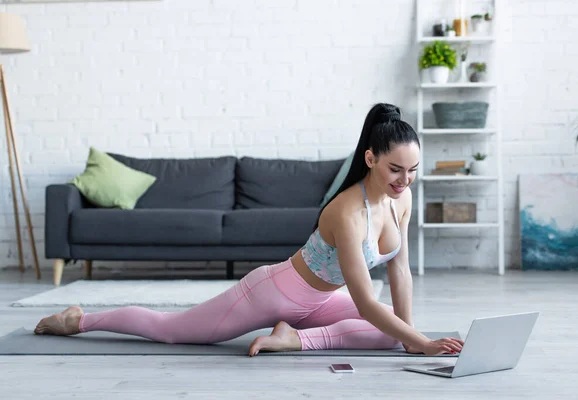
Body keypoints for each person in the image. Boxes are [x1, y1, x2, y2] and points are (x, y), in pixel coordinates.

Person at [35, 103, 464, 357]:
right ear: (370, 159)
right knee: (173, 330)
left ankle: (292, 339)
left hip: (320, 302)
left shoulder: (401, 199)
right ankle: (81, 319)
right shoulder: (346, 212)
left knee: (392, 333)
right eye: (395, 169)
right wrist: (423, 343)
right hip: (276, 290)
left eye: (412, 171)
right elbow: (365, 301)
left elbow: (400, 270)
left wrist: (411, 338)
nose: (404, 180)